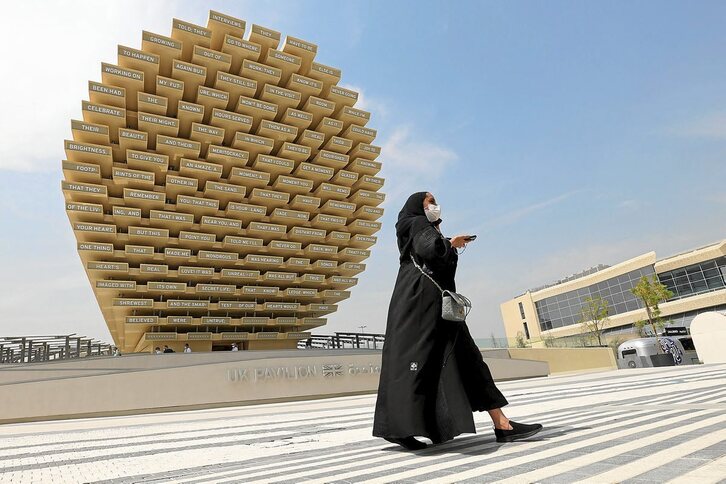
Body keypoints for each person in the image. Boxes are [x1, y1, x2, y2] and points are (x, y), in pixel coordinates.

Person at [373, 192, 542, 450]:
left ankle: (502, 423)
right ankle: (400, 428)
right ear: (418, 206)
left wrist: (446, 242)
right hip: (426, 308)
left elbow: (433, 258)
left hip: (423, 306)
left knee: (464, 359)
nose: (435, 206)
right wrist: (448, 243)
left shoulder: (410, 227)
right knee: (434, 364)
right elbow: (431, 251)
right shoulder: (418, 224)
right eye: (430, 202)